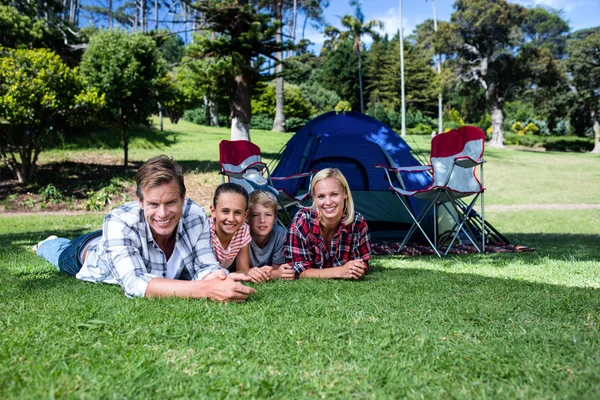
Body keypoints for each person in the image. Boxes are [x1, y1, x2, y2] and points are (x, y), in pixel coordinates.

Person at [33, 155, 255, 302]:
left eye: (170, 203)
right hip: (88, 253)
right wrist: (205, 290)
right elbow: (134, 283)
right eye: (153, 204)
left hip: (123, 242)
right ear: (140, 202)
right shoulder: (119, 221)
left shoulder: (194, 215)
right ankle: (47, 243)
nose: (162, 214)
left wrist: (217, 277)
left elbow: (205, 265)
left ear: (183, 198)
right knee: (57, 249)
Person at [284, 168, 371, 280]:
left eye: (334, 194)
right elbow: (297, 270)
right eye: (321, 196)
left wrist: (356, 268)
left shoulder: (357, 223)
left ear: (345, 194)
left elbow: (362, 263)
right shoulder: (303, 220)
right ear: (314, 198)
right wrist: (339, 271)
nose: (328, 202)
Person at [209, 183, 271, 280]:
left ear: (245, 215)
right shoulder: (206, 231)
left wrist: (252, 272)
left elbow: (242, 269)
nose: (231, 218)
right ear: (213, 211)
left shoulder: (243, 230)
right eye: (225, 211)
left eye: (237, 212)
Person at [247, 190, 293, 282]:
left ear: (275, 218)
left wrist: (274, 273)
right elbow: (242, 271)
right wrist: (274, 274)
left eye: (268, 214)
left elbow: (276, 270)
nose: (262, 220)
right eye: (256, 215)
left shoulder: (280, 235)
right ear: (247, 217)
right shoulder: (242, 234)